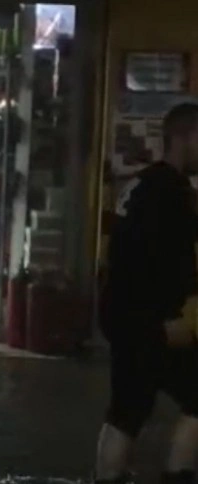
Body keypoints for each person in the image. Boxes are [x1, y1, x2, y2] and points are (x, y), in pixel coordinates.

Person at [96, 103, 198, 484]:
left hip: (124, 314)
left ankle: (109, 475)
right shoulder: (169, 193)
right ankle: (177, 475)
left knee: (128, 407)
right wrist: (168, 316)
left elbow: (125, 254)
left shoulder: (143, 184)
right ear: (186, 137)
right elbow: (160, 262)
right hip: (147, 319)